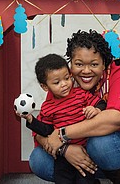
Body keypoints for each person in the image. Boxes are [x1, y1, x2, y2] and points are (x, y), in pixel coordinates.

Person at [29, 30, 120, 184]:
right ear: (71, 64)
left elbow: (115, 119)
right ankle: (91, 176)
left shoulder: (119, 73)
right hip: (88, 153)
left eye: (94, 64)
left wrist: (63, 135)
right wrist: (65, 150)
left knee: (100, 142)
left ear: (104, 63)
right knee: (38, 160)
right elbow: (43, 129)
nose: (86, 71)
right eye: (78, 64)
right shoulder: (64, 81)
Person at [17, 53, 106, 184]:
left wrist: (96, 109)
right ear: (45, 87)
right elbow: (47, 130)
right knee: (63, 179)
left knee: (85, 179)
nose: (64, 84)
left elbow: (101, 103)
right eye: (57, 82)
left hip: (85, 150)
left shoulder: (81, 94)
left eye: (66, 78)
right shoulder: (47, 107)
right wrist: (31, 120)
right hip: (62, 154)